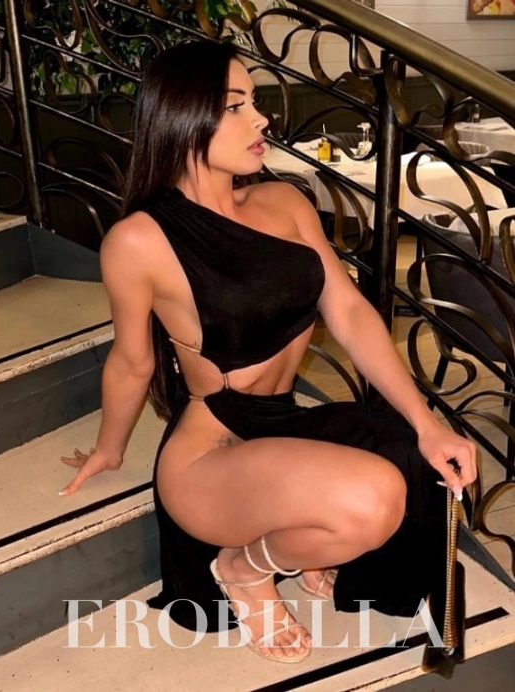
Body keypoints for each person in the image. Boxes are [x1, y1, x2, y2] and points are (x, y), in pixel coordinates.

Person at [60, 38, 476, 664]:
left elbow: (349, 312)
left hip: (284, 423)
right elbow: (132, 362)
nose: (261, 120)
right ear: (184, 117)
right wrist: (109, 449)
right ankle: (245, 568)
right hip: (214, 451)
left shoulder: (284, 201)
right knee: (374, 500)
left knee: (413, 451)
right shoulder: (139, 240)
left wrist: (426, 421)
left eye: (254, 102)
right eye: (236, 106)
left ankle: (303, 541)